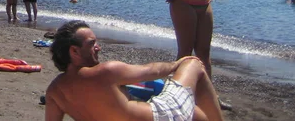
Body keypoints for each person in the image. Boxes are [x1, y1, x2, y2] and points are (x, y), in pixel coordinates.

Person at [45, 21, 223, 121]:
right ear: (74, 51)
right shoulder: (104, 72)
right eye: (92, 44)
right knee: (194, 64)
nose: (98, 48)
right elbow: (152, 70)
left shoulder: (54, 91)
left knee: (196, 113)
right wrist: (177, 64)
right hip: (163, 117)